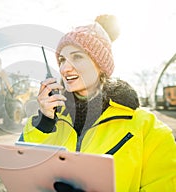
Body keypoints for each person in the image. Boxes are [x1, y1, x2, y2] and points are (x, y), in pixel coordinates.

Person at [19, 15, 176, 191]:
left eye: (77, 57)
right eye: (62, 60)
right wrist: (44, 122)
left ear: (101, 65)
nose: (64, 69)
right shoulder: (47, 119)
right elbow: (22, 170)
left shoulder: (148, 128)